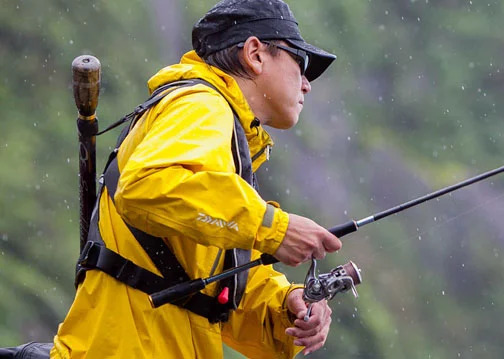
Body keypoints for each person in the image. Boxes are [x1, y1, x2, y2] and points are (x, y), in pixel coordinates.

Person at [50, 0, 342, 358]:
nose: (307, 84)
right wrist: (273, 228)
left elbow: (211, 291)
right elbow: (147, 186)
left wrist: (287, 307)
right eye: (302, 63)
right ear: (255, 54)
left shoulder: (224, 140)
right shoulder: (202, 104)